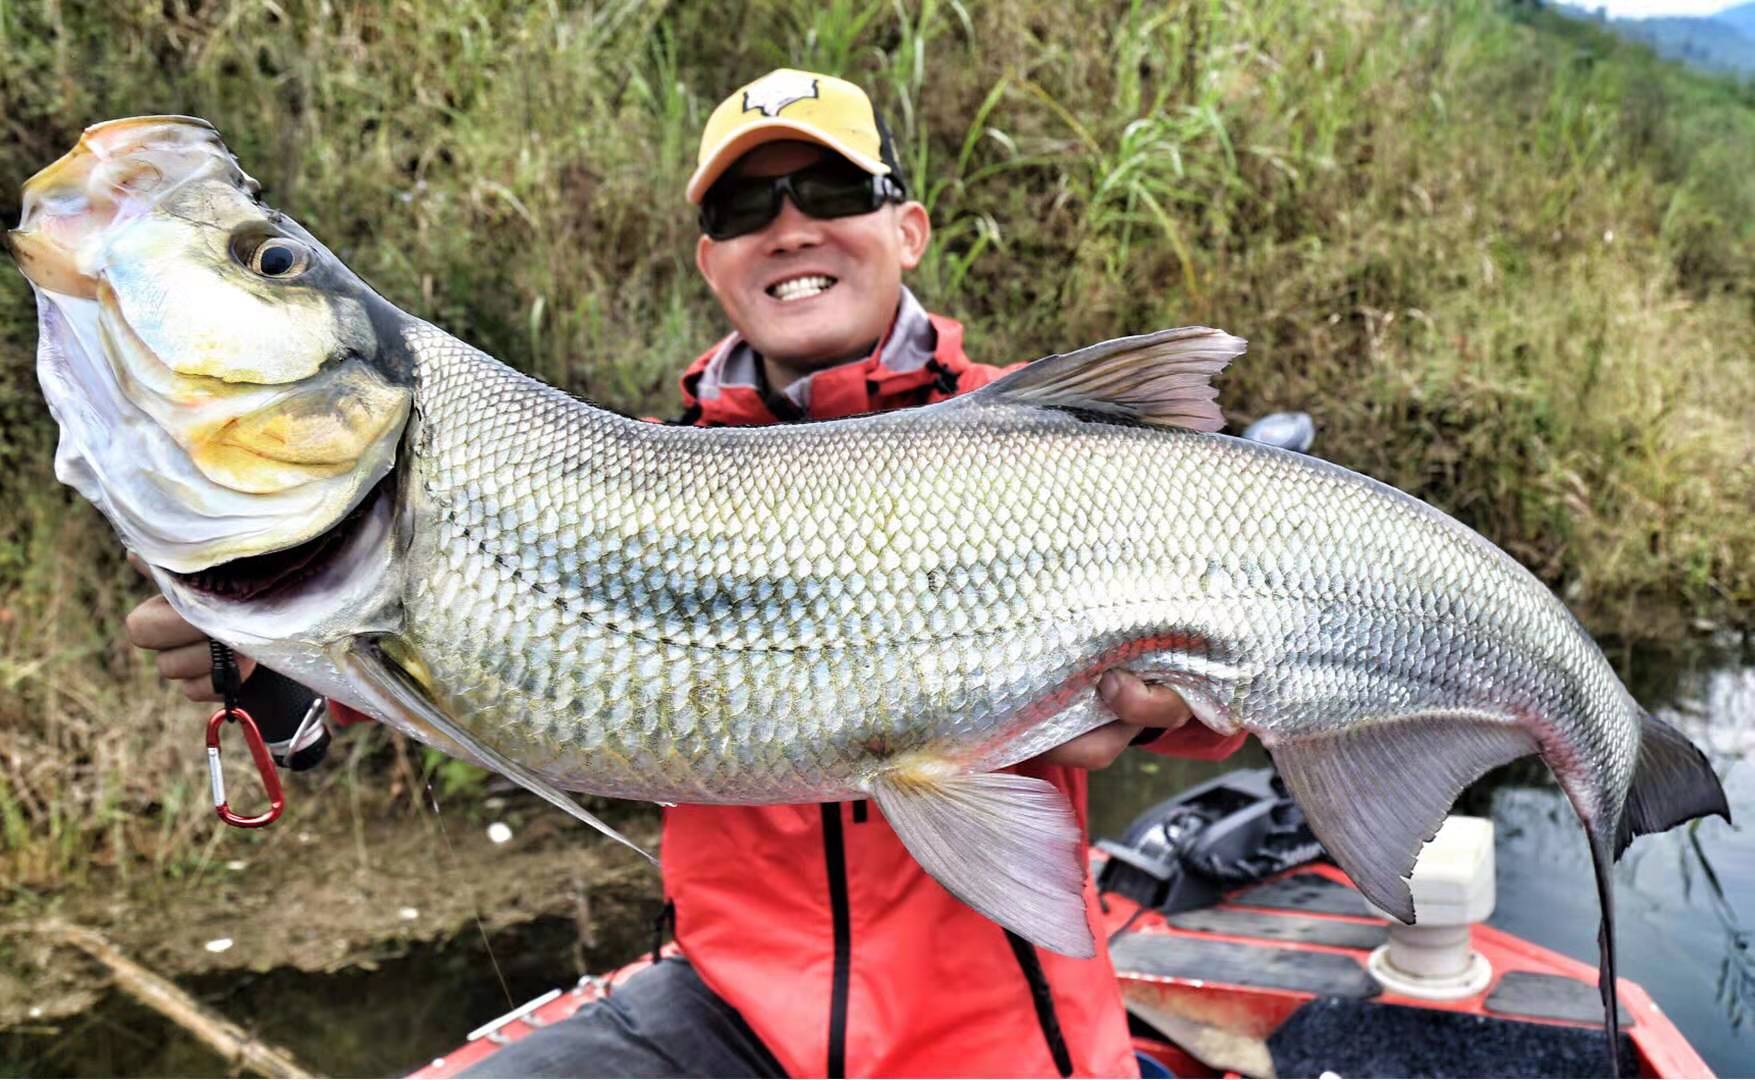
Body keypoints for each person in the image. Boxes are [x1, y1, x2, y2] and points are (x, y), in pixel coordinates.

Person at [124, 68, 1244, 1078]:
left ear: (908, 228)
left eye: (829, 191)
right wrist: (287, 673)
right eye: (744, 208)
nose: (790, 226)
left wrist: (1154, 714)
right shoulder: (622, 476)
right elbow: (487, 656)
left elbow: (1234, 695)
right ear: (712, 259)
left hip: (1004, 1032)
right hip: (731, 1013)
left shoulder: (1061, 447)